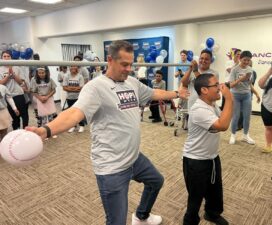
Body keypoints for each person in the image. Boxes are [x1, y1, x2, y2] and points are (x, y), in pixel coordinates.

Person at [26, 40, 188, 225]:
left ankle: (141, 216)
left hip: (133, 157)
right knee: (116, 221)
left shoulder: (132, 83)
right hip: (111, 167)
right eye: (124, 64)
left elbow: (153, 93)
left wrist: (176, 93)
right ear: (110, 60)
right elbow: (75, 113)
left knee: (156, 181)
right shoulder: (95, 88)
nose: (129, 69)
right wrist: (46, 130)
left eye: (131, 64)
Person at [182, 73, 233, 225]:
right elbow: (223, 126)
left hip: (211, 157)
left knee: (215, 191)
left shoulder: (211, 105)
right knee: (196, 197)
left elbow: (224, 118)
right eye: (216, 85)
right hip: (195, 161)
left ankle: (212, 214)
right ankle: (190, 221)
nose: (220, 87)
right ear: (204, 90)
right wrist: (229, 98)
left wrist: (226, 100)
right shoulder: (198, 109)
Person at [228, 50, 260, 145]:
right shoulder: (234, 70)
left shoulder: (250, 70)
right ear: (240, 58)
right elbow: (231, 85)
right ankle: (233, 135)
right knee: (236, 116)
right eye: (244, 60)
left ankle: (245, 135)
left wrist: (256, 93)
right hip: (235, 95)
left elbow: (249, 85)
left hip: (246, 95)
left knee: (247, 117)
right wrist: (241, 79)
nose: (246, 62)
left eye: (248, 60)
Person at [0, 50, 29, 130]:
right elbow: (1, 83)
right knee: (14, 117)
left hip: (19, 95)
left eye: (8, 56)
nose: (6, 58)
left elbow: (21, 82)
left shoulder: (17, 67)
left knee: (24, 115)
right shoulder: (0, 68)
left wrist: (13, 74)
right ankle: (17, 132)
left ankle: (25, 131)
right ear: (2, 58)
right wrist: (8, 76)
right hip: (8, 97)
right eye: (4, 56)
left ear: (11, 57)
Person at [30, 67, 57, 132]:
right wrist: (40, 98)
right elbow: (32, 91)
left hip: (49, 98)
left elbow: (54, 90)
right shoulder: (34, 80)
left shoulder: (50, 79)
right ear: (37, 73)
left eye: (43, 73)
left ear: (46, 73)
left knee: (51, 116)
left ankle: (51, 131)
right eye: (39, 73)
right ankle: (43, 131)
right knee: (42, 117)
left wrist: (47, 96)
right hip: (39, 99)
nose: (41, 74)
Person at [63, 65, 85, 133]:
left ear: (77, 68)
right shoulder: (66, 76)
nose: (73, 68)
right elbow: (64, 87)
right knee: (71, 113)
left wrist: (70, 88)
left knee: (80, 112)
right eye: (71, 66)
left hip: (78, 97)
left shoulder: (80, 76)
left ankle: (81, 125)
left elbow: (81, 88)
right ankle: (73, 126)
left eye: (74, 66)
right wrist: (75, 88)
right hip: (69, 98)